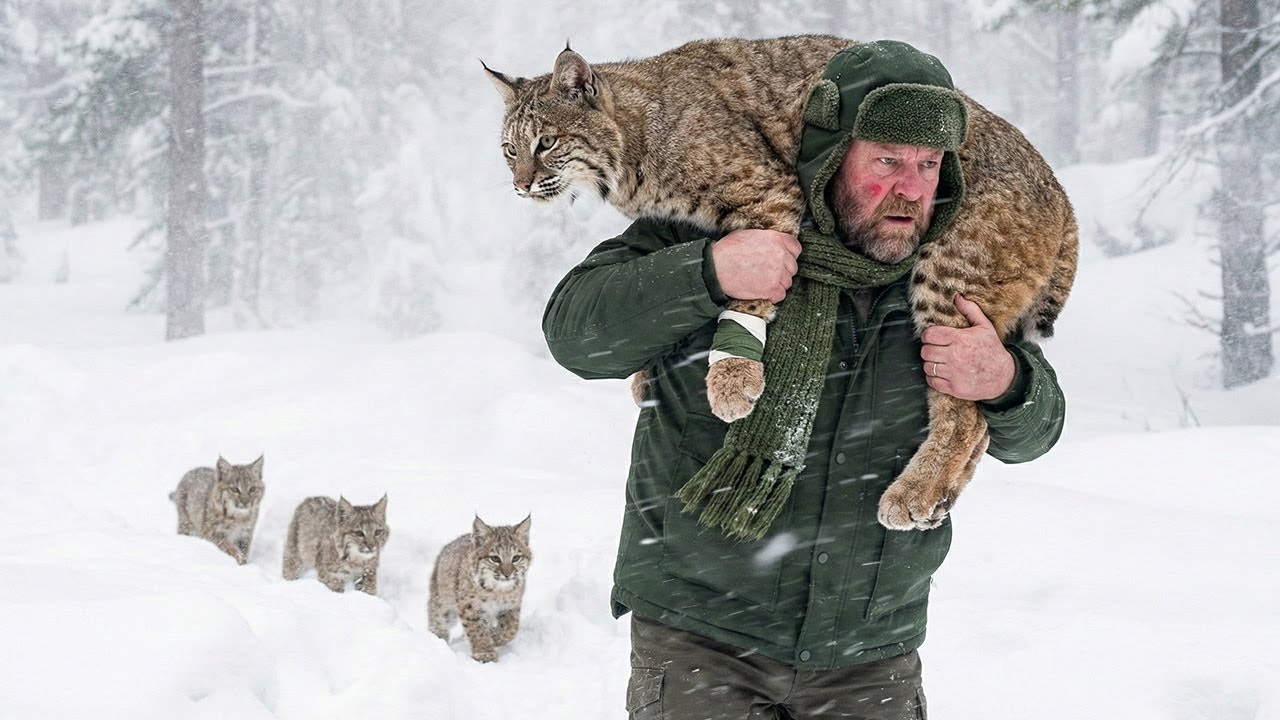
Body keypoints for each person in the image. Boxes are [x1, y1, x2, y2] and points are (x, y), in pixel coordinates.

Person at [542, 40, 1065, 720]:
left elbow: (1035, 433)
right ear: (828, 153)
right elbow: (576, 335)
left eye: (928, 165)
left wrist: (1006, 379)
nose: (910, 188)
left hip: (869, 654)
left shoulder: (957, 266)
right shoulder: (714, 215)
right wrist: (709, 273)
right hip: (703, 642)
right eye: (885, 161)